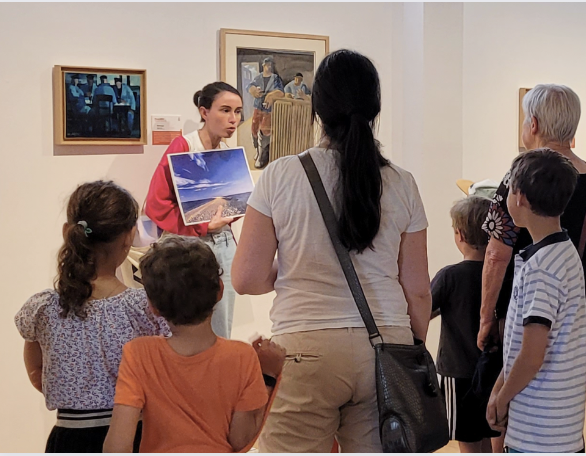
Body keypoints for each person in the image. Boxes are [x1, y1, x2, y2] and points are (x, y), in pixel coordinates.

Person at [232, 49, 432, 452]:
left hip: (306, 348)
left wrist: (291, 267)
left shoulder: (281, 175)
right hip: (385, 345)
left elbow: (247, 278)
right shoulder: (403, 183)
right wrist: (409, 348)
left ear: (316, 108)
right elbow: (418, 290)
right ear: (375, 107)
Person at [14, 181, 169, 452]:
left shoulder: (44, 308)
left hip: (67, 437)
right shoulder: (145, 308)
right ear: (129, 238)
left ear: (67, 233)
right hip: (134, 435)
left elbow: (36, 371)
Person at [103, 236, 286, 453]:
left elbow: (117, 445)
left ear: (152, 306)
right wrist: (268, 376)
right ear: (220, 290)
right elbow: (240, 440)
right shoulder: (242, 357)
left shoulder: (138, 354)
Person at [479, 83, 586, 347]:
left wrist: (486, 317)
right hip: (573, 312)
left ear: (533, 124)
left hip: (525, 312)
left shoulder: (522, 176)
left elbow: (496, 254)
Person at [486, 149, 586, 453]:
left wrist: (501, 401)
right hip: (562, 428)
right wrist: (498, 389)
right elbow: (521, 348)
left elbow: (532, 355)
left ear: (520, 198)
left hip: (538, 433)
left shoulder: (542, 269)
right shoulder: (563, 253)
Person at [144, 81, 242, 338]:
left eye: (238, 111)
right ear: (204, 112)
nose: (233, 119)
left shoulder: (226, 152)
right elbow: (156, 204)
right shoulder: (183, 146)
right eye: (225, 110)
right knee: (183, 322)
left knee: (222, 324)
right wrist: (200, 226)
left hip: (223, 242)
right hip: (187, 246)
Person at [431, 196, 500, 453]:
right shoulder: (502, 273)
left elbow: (424, 309)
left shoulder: (449, 276)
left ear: (459, 235)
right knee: (491, 432)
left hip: (458, 372)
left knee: (468, 440)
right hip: (495, 370)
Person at [248, 56, 284, 169]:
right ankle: (257, 150)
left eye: (270, 65)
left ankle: (263, 155)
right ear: (263, 65)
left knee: (265, 130)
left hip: (269, 109)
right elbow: (250, 86)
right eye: (267, 64)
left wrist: (272, 95)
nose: (269, 67)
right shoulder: (258, 77)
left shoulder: (276, 78)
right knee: (254, 128)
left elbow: (281, 92)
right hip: (258, 106)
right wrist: (252, 90)